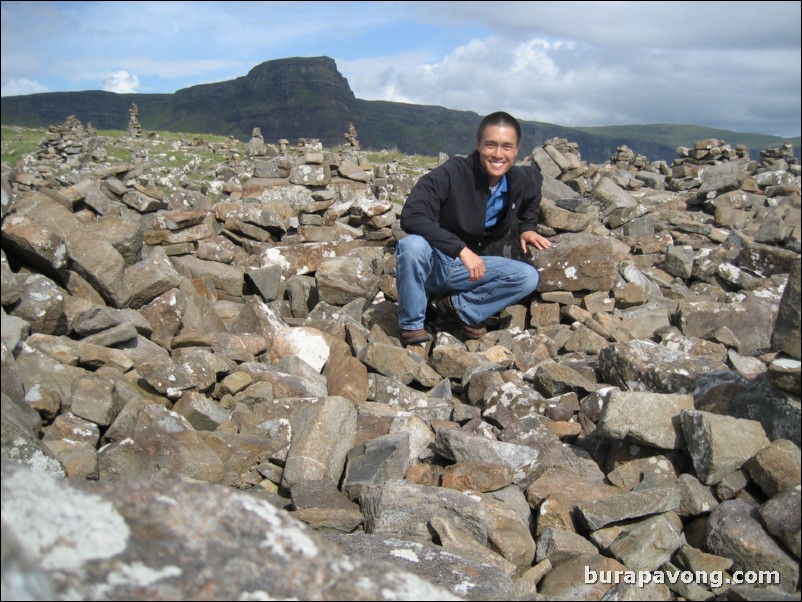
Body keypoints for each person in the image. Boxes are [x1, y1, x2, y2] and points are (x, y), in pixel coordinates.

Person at [396, 111, 552, 345]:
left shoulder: (523, 179)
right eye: (491, 145)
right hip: (435, 263)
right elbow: (411, 215)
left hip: (471, 271)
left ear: (517, 150)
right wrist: (460, 249)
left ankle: (458, 307)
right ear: (478, 144)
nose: (498, 154)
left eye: (507, 147)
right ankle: (412, 325)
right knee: (412, 245)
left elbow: (535, 189)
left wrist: (528, 226)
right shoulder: (452, 172)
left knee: (527, 277)